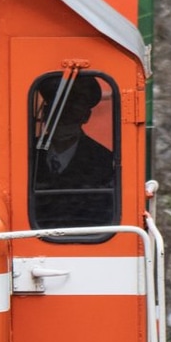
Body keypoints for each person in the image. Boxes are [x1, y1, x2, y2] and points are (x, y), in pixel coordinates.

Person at [31, 72, 116, 229]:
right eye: (56, 111)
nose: (63, 118)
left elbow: (103, 216)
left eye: (72, 111)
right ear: (46, 113)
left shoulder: (102, 162)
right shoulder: (27, 154)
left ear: (85, 116)